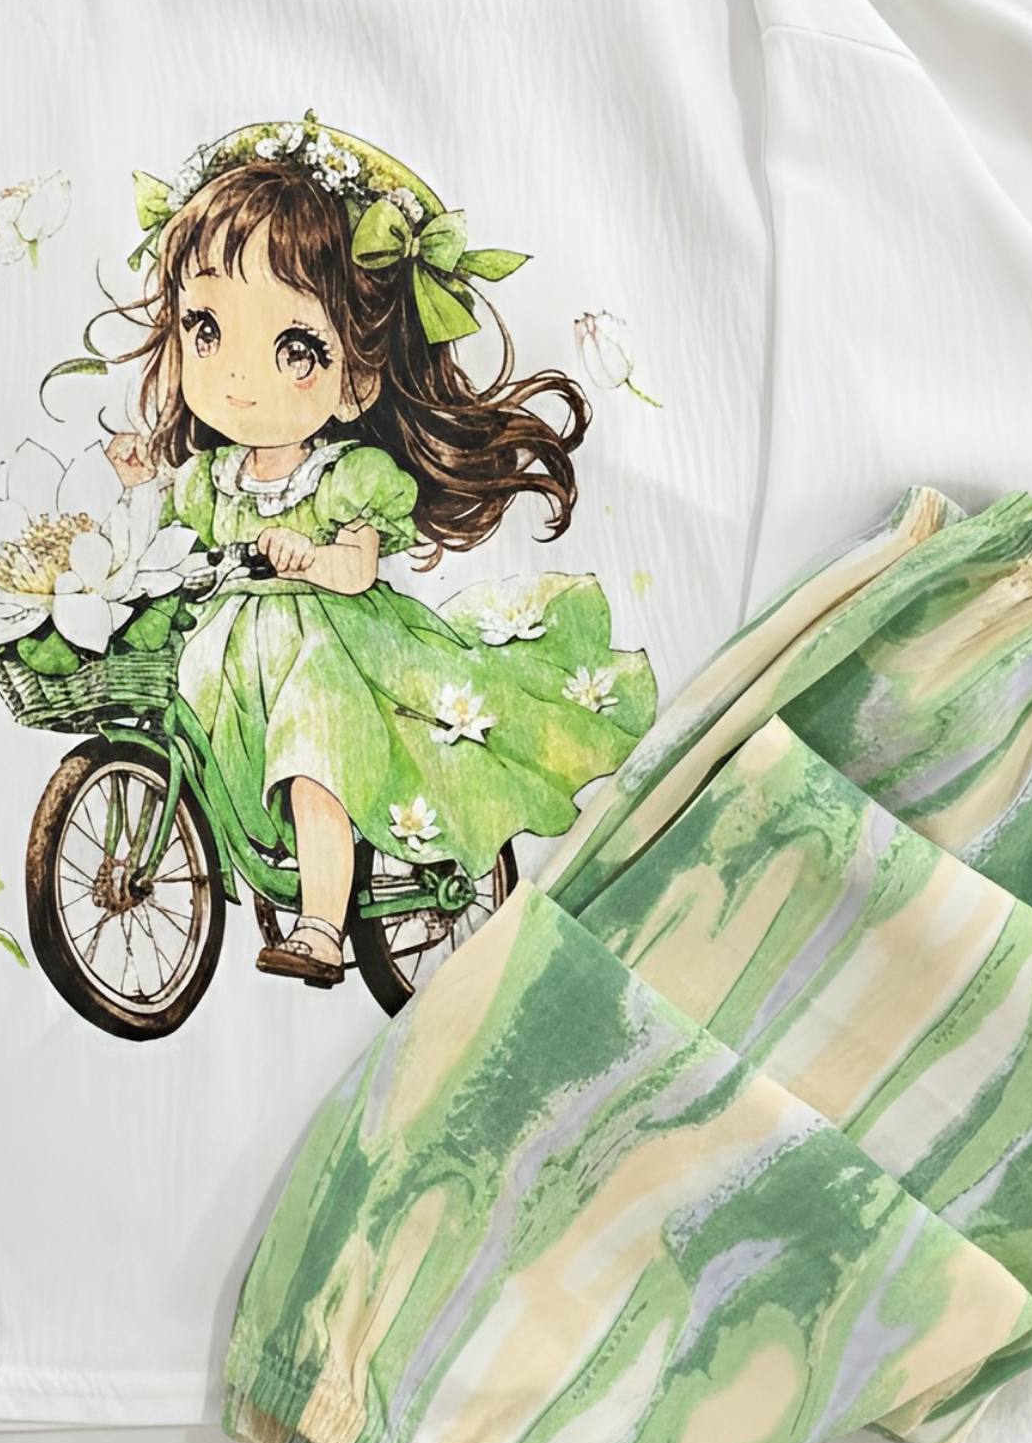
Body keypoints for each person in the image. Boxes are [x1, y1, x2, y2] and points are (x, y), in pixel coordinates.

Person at [93, 112, 652, 984]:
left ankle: (321, 927)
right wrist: (141, 480)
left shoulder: (348, 476)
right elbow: (175, 534)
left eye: (294, 348)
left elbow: (356, 569)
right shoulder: (213, 479)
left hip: (330, 652)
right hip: (233, 660)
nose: (236, 375)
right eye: (206, 329)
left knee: (314, 754)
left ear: (356, 380)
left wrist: (307, 557)